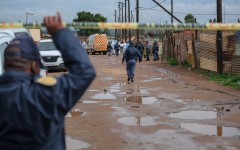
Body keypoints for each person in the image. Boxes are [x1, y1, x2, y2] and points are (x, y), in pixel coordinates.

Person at [0, 12, 96, 149]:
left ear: (5, 65)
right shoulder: (47, 93)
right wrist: (60, 33)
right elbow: (84, 71)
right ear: (34, 66)